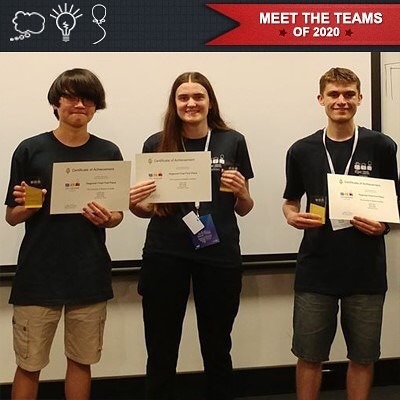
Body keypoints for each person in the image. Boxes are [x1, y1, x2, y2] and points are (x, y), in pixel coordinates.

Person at [130, 71, 254, 400]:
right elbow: (144, 210)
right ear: (174, 104)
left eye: (198, 96)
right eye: (183, 97)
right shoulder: (156, 144)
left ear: (210, 102)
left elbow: (244, 208)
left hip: (218, 254)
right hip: (165, 253)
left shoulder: (232, 141)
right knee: (161, 347)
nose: (191, 103)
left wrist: (243, 193)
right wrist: (135, 203)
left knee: (217, 346)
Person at [5, 68, 124, 400]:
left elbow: (117, 215)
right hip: (37, 275)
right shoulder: (31, 150)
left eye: (88, 99)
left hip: (88, 272)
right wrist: (33, 205)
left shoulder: (108, 152)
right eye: (71, 97)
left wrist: (108, 218)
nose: (80, 104)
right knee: (29, 364)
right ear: (56, 103)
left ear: (96, 105)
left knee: (82, 361)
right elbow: (12, 217)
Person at [282, 67, 399, 400]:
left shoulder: (381, 146)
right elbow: (290, 201)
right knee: (309, 355)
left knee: (362, 356)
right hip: (316, 269)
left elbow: (394, 202)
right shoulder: (302, 150)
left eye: (349, 94)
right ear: (321, 99)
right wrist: (292, 217)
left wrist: (384, 226)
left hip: (366, 270)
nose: (341, 101)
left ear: (360, 98)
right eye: (333, 94)